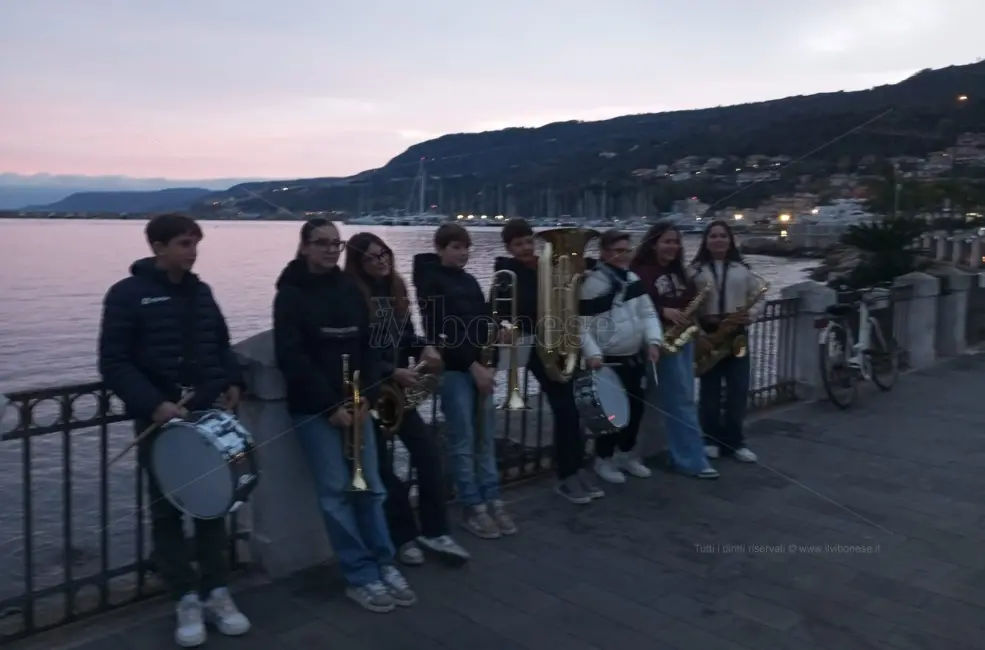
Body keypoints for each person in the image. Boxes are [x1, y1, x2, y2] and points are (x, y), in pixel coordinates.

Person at [98, 213, 250, 647]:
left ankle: (216, 591)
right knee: (167, 511)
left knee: (213, 504)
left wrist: (233, 381)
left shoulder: (201, 293)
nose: (193, 250)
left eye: (195, 242)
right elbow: (114, 362)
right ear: (158, 246)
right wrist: (153, 403)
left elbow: (220, 345)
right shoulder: (127, 295)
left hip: (205, 416)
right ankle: (184, 597)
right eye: (184, 243)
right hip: (160, 419)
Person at [273, 219, 416, 614]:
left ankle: (383, 563)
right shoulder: (289, 295)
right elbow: (293, 358)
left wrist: (366, 394)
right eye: (321, 243)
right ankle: (359, 575)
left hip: (357, 404)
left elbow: (369, 347)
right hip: (315, 410)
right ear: (303, 247)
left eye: (335, 244)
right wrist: (330, 406)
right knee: (336, 493)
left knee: (371, 489)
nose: (330, 250)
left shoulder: (349, 291)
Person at [343, 232, 471, 566]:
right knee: (384, 469)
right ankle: (403, 537)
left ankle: (435, 530)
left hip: (394, 389)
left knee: (428, 456)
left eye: (383, 253)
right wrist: (392, 371)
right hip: (369, 391)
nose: (381, 260)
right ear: (358, 262)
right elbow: (357, 351)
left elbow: (405, 337)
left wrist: (424, 347)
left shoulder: (394, 288)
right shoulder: (352, 296)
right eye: (372, 257)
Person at [412, 223, 517, 539]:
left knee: (484, 437)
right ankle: (472, 505)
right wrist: (472, 365)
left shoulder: (469, 280)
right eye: (456, 247)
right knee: (463, 439)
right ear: (441, 249)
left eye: (466, 247)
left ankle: (491, 496)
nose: (463, 253)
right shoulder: (430, 282)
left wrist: (498, 331)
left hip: (479, 367)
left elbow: (481, 319)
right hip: (457, 371)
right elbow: (439, 333)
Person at [495, 219, 604, 504]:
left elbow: (577, 297)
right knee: (565, 409)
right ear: (509, 247)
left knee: (577, 408)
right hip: (536, 345)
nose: (525, 247)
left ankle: (576, 470)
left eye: (529, 241)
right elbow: (494, 309)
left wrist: (581, 270)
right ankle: (566, 476)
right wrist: (502, 326)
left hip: (565, 338)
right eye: (518, 244)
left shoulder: (553, 264)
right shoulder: (507, 274)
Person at [630, 221, 719, 479]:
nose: (673, 246)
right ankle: (692, 460)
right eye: (667, 241)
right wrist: (662, 310)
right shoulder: (641, 272)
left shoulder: (679, 272)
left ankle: (686, 451)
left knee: (685, 398)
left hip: (683, 338)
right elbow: (633, 305)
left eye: (676, 241)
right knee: (681, 401)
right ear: (653, 242)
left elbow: (690, 302)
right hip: (660, 340)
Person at [579, 229, 663, 485]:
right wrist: (592, 354)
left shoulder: (632, 278)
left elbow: (647, 314)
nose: (623, 255)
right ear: (604, 252)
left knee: (635, 411)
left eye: (626, 249)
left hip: (633, 357)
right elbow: (580, 324)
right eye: (617, 250)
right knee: (610, 416)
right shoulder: (590, 284)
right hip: (607, 360)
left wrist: (654, 341)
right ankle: (603, 459)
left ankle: (626, 455)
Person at [689, 220, 761, 464]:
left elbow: (759, 296)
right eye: (713, 236)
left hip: (737, 334)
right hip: (709, 334)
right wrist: (698, 332)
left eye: (722, 236)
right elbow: (688, 305)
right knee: (709, 391)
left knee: (738, 389)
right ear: (705, 241)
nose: (718, 240)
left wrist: (750, 315)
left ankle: (736, 442)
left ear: (730, 240)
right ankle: (710, 440)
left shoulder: (743, 269)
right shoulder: (694, 270)